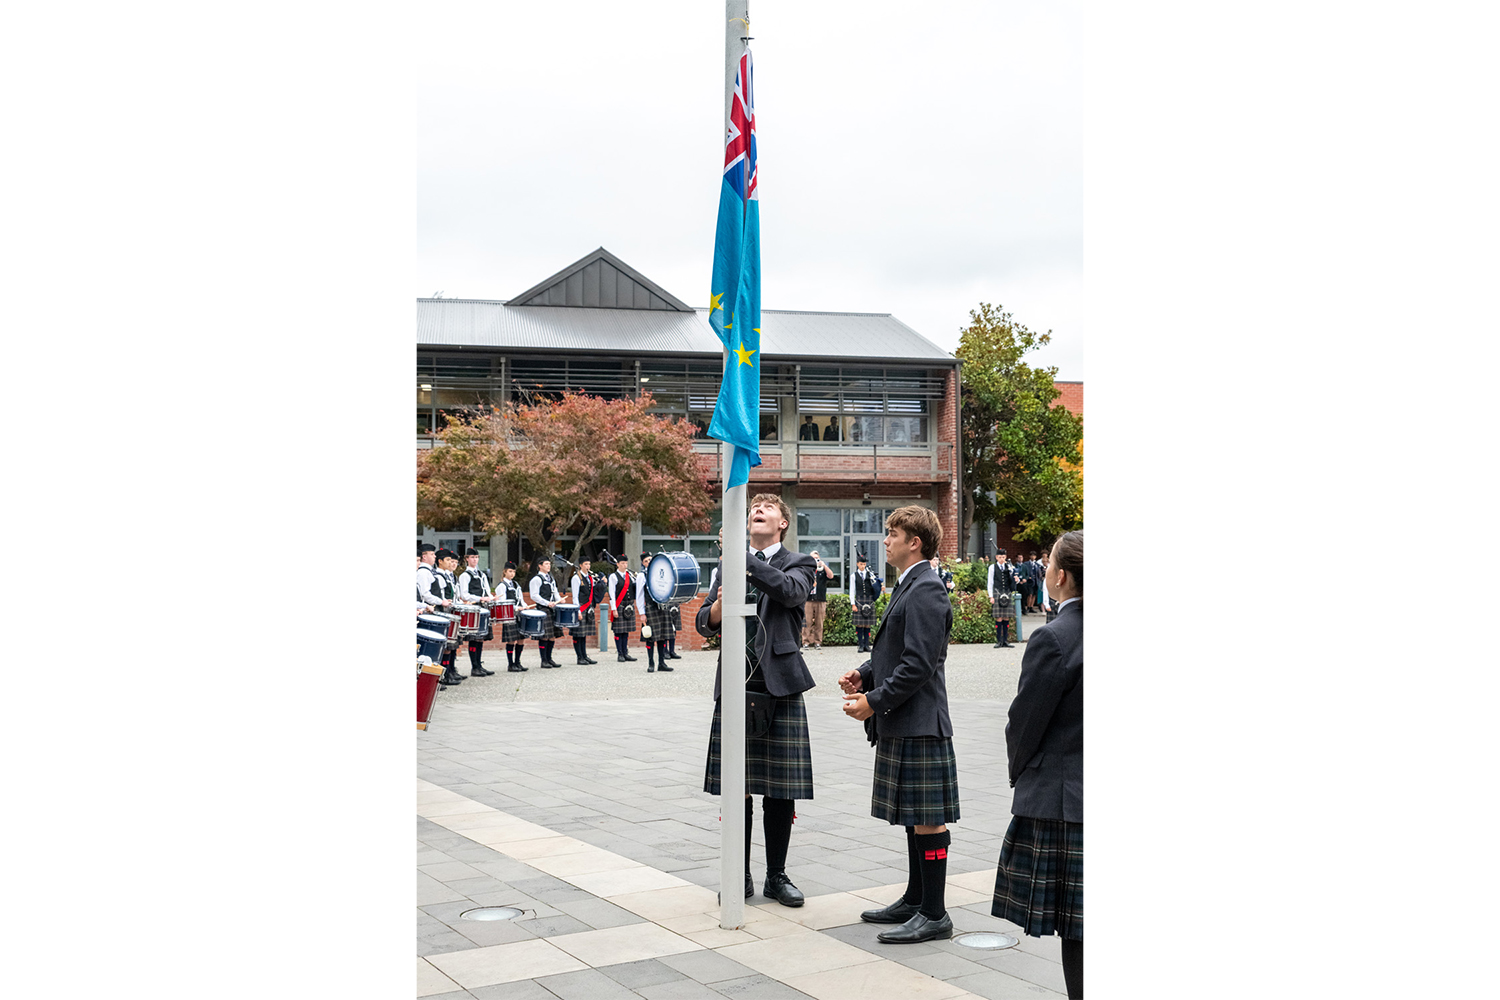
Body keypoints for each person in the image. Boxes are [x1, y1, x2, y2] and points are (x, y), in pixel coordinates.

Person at [840, 506, 959, 944]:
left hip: (921, 722)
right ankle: (915, 899)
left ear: (916, 542)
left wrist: (873, 701)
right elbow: (896, 650)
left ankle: (934, 914)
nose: (885, 539)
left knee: (929, 820)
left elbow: (919, 664)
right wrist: (865, 673)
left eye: (893, 533)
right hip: (907, 720)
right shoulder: (908, 584)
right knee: (915, 817)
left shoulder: (926, 589)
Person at [697, 493, 817, 906]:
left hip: (779, 684)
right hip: (735, 685)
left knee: (781, 790)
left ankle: (776, 876)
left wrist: (740, 559)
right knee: (738, 787)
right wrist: (716, 606)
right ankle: (739, 873)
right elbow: (704, 622)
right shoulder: (727, 565)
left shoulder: (799, 563)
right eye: (752, 509)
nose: (757, 512)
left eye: (766, 509)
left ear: (782, 522)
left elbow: (789, 593)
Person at [993, 530, 1083, 998]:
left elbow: (1024, 722)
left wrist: (1018, 771)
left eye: (1048, 562)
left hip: (1067, 799)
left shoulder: (1054, 637)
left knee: (1081, 933)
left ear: (1060, 576)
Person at [456, 551, 497, 677]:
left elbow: (486, 590)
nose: (475, 560)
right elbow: (464, 594)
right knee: (474, 639)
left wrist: (491, 597)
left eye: (477, 557)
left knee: (480, 639)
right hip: (473, 607)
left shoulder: (482, 574)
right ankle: (474, 667)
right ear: (467, 559)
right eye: (472, 557)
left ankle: (479, 665)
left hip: (483, 607)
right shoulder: (465, 575)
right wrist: (480, 598)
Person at [428, 548, 464, 686]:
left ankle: (450, 671)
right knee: (446, 645)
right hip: (442, 611)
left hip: (450, 610)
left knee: (452, 644)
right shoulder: (438, 576)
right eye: (448, 560)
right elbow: (440, 596)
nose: (450, 563)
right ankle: (444, 674)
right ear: (440, 561)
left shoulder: (448, 576)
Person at [639, 551, 675, 673]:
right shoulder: (641, 576)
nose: (648, 562)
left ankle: (661, 663)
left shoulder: (661, 574)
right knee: (650, 637)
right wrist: (642, 613)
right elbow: (639, 596)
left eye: (650, 560)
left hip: (663, 607)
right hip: (650, 608)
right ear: (643, 564)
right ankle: (651, 663)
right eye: (646, 561)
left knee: (663, 636)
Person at [494, 560, 531, 672]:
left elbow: (521, 599)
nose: (512, 574)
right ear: (505, 572)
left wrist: (525, 606)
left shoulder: (516, 585)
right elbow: (502, 602)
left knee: (521, 639)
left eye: (514, 572)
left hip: (519, 615)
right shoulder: (501, 586)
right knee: (511, 640)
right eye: (510, 571)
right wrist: (515, 608)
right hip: (509, 615)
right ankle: (510, 664)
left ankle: (517, 662)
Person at [527, 556, 564, 668]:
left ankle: (549, 658)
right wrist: (547, 603)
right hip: (543, 609)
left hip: (552, 609)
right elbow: (534, 596)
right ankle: (544, 660)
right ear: (540, 565)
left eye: (549, 564)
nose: (549, 566)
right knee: (545, 636)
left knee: (552, 635)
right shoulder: (536, 579)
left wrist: (559, 600)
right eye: (546, 564)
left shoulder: (551, 578)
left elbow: (555, 591)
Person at [568, 554, 604, 665]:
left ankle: (584, 655)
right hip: (581, 607)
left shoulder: (589, 578)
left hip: (588, 608)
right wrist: (578, 610)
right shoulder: (576, 578)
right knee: (578, 634)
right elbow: (575, 596)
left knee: (583, 634)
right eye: (586, 564)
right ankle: (579, 657)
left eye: (589, 564)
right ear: (580, 565)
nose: (588, 566)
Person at [608, 553, 644, 662]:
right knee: (619, 631)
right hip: (620, 605)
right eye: (622, 563)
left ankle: (625, 652)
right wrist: (614, 608)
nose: (625, 565)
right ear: (617, 564)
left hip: (629, 606)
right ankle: (620, 654)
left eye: (626, 563)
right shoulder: (613, 577)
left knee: (626, 631)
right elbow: (611, 594)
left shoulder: (630, 576)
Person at [802, 549, 835, 649]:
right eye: (813, 558)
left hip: (820, 599)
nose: (815, 560)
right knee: (807, 622)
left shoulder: (822, 570)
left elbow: (831, 576)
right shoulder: (807, 569)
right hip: (808, 599)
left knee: (819, 622)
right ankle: (805, 642)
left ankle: (817, 642)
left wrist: (824, 565)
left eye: (817, 558)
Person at [849, 554, 882, 652]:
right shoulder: (853, 575)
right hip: (859, 601)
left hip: (869, 600)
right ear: (857, 564)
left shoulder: (870, 574)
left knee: (868, 624)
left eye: (864, 564)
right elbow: (852, 590)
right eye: (861, 564)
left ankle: (867, 645)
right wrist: (853, 604)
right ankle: (860, 645)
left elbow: (875, 585)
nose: (862, 566)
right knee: (859, 624)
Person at [988, 547, 1017, 648]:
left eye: (1003, 557)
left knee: (1006, 617)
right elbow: (990, 582)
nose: (1002, 559)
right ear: (996, 557)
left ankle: (1005, 640)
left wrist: (1015, 578)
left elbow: (1014, 581)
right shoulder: (992, 567)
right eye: (1000, 557)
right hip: (997, 593)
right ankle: (999, 640)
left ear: (1006, 557)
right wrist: (991, 596)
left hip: (1007, 594)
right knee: (999, 617)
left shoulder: (1009, 567)